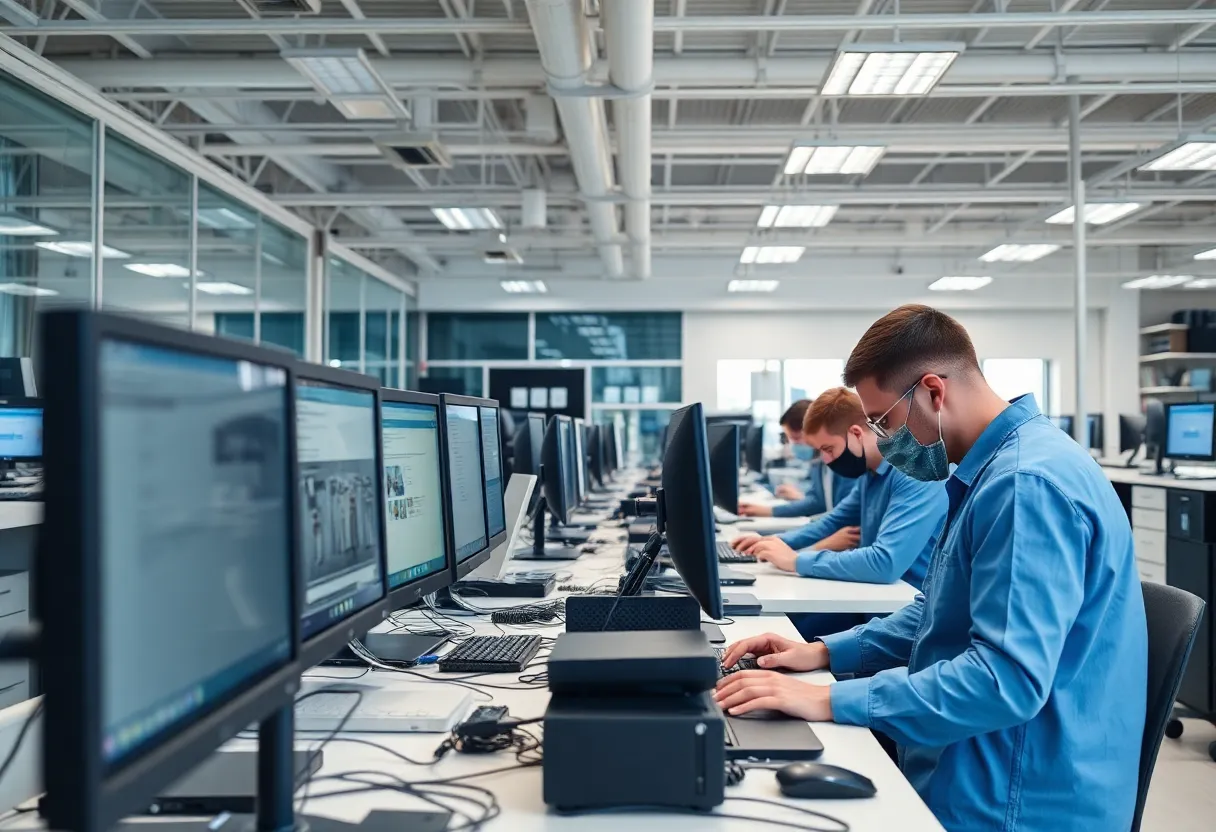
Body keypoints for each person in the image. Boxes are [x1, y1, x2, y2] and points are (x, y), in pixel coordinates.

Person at [715, 304, 1147, 832]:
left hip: (1015, 797)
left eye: (884, 421)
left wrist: (829, 697)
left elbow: (1002, 681)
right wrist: (823, 653)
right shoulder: (992, 471)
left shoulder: (1023, 486)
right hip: (979, 762)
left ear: (932, 392)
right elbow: (937, 611)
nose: (883, 439)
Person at [732, 387, 947, 589]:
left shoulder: (915, 473)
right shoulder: (869, 474)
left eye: (828, 449)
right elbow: (834, 520)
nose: (826, 460)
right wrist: (773, 542)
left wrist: (796, 561)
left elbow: (885, 562)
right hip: (874, 597)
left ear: (856, 433)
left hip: (908, 608)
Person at [738, 399, 859, 519]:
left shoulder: (846, 465)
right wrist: (768, 511)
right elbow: (817, 502)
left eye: (797, 438)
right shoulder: (818, 463)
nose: (794, 445)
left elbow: (844, 518)